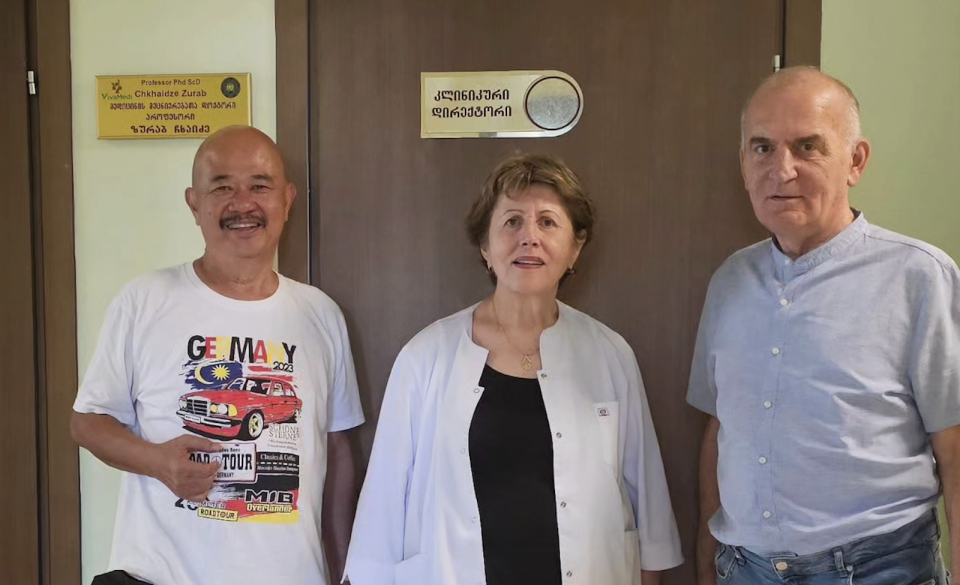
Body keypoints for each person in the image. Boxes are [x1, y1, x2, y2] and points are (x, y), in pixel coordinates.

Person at [344, 153, 683, 585]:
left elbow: (646, 500)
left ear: (576, 246)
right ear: (485, 246)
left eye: (547, 222)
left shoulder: (609, 353)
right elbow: (383, 508)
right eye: (511, 222)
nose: (529, 238)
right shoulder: (425, 357)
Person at [688, 66, 960, 584]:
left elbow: (956, 445)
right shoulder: (728, 282)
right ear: (743, 162)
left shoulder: (919, 276)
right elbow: (720, 426)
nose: (781, 169)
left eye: (807, 146)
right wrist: (706, 551)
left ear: (855, 161)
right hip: (743, 569)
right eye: (762, 148)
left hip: (879, 569)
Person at [71, 126, 364, 585]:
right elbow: (87, 421)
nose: (242, 203)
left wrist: (348, 571)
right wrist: (159, 462)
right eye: (222, 186)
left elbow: (338, 448)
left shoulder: (321, 314)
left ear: (286, 200)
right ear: (195, 204)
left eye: (259, 186)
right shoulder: (144, 300)